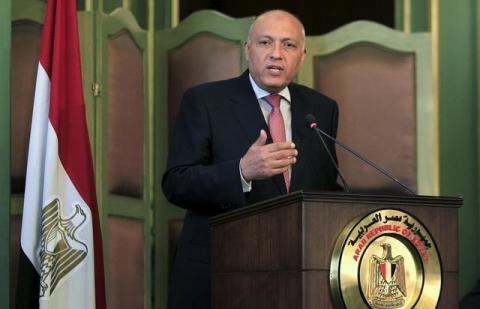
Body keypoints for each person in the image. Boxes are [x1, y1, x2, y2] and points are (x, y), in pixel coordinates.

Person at [162, 9, 340, 309]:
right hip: (220, 273)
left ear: (303, 56)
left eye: (288, 45)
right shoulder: (205, 101)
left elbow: (325, 185)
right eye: (265, 43)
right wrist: (241, 171)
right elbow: (176, 182)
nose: (276, 54)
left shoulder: (321, 109)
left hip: (297, 278)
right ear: (247, 50)